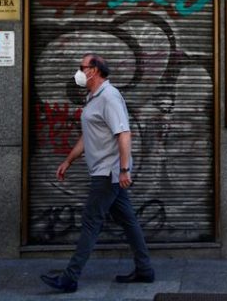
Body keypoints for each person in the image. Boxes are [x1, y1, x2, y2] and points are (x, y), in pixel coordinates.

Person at [40, 53, 155, 293]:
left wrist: (124, 170)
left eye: (81, 67)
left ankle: (70, 277)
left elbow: (123, 134)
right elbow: (89, 136)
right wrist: (69, 160)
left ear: (93, 71)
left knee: (91, 222)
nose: (79, 72)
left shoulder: (109, 97)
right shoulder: (94, 97)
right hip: (105, 171)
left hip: (108, 173)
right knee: (128, 221)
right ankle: (145, 269)